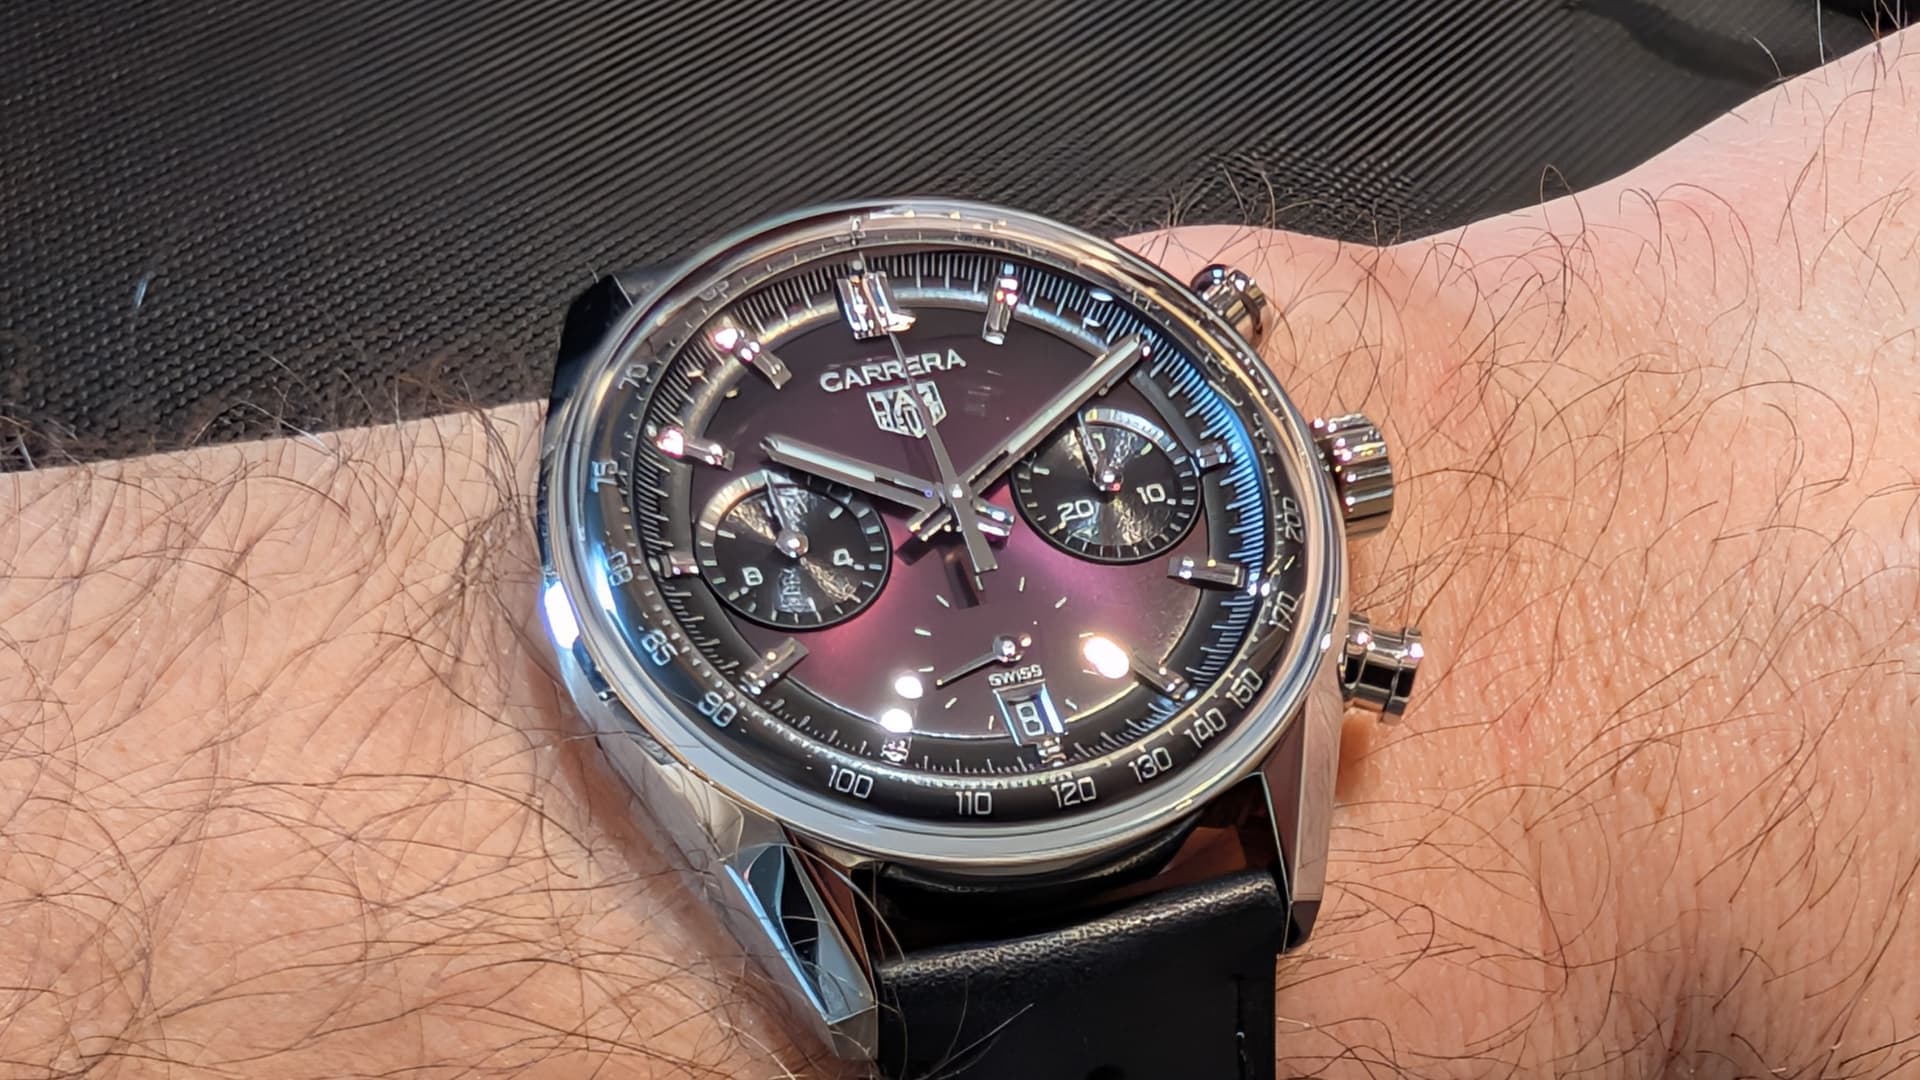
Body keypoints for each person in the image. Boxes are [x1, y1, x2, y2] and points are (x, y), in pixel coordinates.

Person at [2, 28, 1915, 1080]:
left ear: (1333, 476)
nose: (952, 524)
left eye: (1013, 488)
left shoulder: (1247, 559)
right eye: (887, 518)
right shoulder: (675, 588)